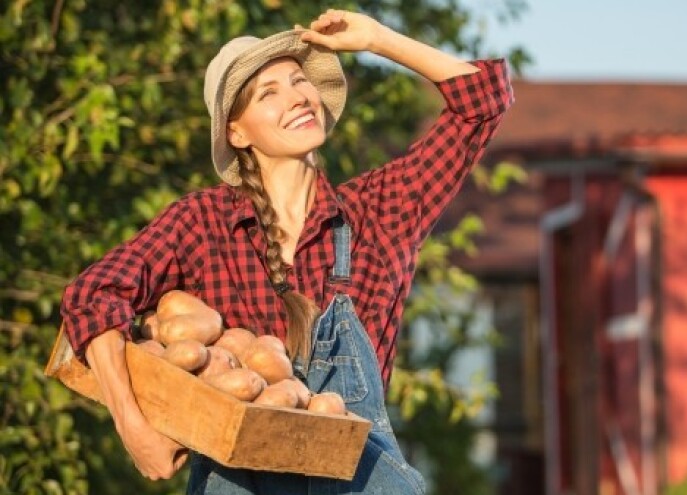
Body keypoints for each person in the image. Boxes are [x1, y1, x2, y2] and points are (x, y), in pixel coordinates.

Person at [60, 8, 513, 494]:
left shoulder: (380, 213)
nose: (297, 97)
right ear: (237, 133)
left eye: (300, 81)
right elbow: (92, 297)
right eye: (268, 93)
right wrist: (133, 427)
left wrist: (377, 39)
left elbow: (484, 99)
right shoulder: (203, 224)